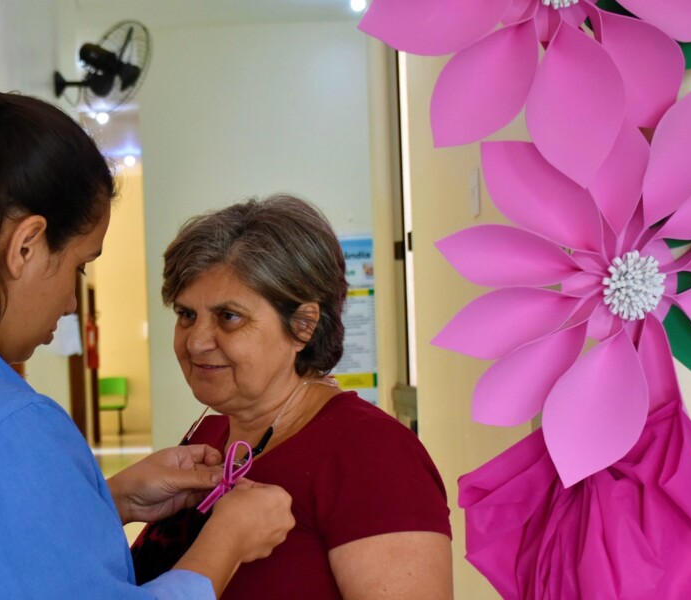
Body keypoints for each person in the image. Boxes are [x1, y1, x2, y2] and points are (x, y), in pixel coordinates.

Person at [0, 75, 294, 599]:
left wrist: (98, 500)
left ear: (304, 323)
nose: (69, 302)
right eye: (79, 267)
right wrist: (227, 541)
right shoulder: (5, 426)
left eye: (229, 317)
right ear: (26, 246)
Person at [131, 195, 454, 599]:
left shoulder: (372, 455)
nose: (195, 342)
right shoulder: (207, 438)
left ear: (303, 325)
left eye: (228, 317)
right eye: (186, 315)